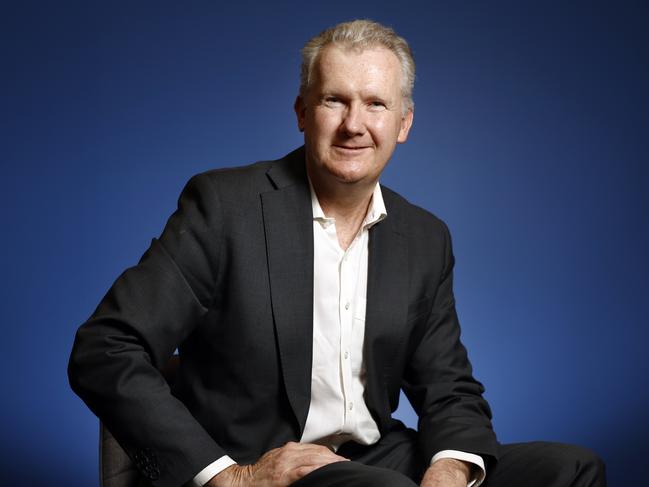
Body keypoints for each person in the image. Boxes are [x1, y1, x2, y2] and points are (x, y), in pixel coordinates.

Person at [69, 19, 606, 487]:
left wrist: (448, 470)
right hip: (272, 464)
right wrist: (228, 475)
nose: (355, 124)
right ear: (302, 112)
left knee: (572, 469)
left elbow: (448, 385)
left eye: (376, 103)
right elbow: (105, 347)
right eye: (335, 100)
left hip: (380, 458)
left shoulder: (424, 237)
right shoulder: (224, 208)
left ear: (403, 124)